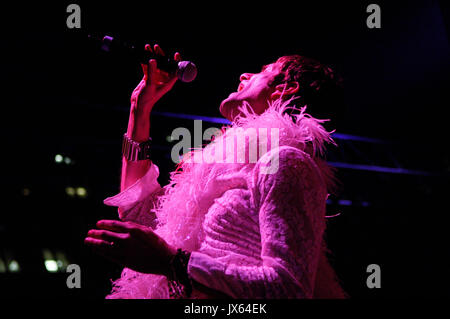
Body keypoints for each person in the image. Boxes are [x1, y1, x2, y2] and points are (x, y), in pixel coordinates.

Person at [84, 43, 347, 299]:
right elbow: (138, 212)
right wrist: (139, 107)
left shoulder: (287, 161)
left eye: (263, 70)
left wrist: (172, 262)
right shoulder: (218, 167)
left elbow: (289, 290)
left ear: (284, 88)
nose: (244, 75)